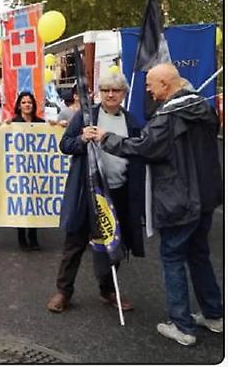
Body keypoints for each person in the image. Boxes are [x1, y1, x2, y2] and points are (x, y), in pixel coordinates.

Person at [95, 63, 223, 346]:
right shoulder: (203, 109)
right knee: (199, 255)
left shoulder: (168, 117)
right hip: (205, 197)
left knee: (173, 258)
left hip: (179, 199)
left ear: (166, 84)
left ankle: (182, 326)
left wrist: (106, 138)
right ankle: (214, 315)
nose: (148, 91)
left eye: (151, 85)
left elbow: (142, 148)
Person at [46, 72, 145, 314]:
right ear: (100, 92)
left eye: (116, 90)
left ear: (124, 94)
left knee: (113, 242)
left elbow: (138, 151)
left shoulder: (131, 121)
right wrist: (81, 138)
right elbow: (65, 145)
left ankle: (108, 290)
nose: (111, 95)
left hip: (118, 192)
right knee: (74, 244)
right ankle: (63, 292)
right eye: (106, 90)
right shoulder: (87, 115)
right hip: (88, 191)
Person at [10, 91, 45, 251]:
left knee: (34, 204)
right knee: (21, 203)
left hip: (36, 169)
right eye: (23, 102)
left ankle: (33, 237)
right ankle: (21, 237)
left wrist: (58, 126)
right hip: (18, 169)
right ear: (19, 105)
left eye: (29, 102)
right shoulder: (12, 123)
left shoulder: (41, 123)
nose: (27, 105)